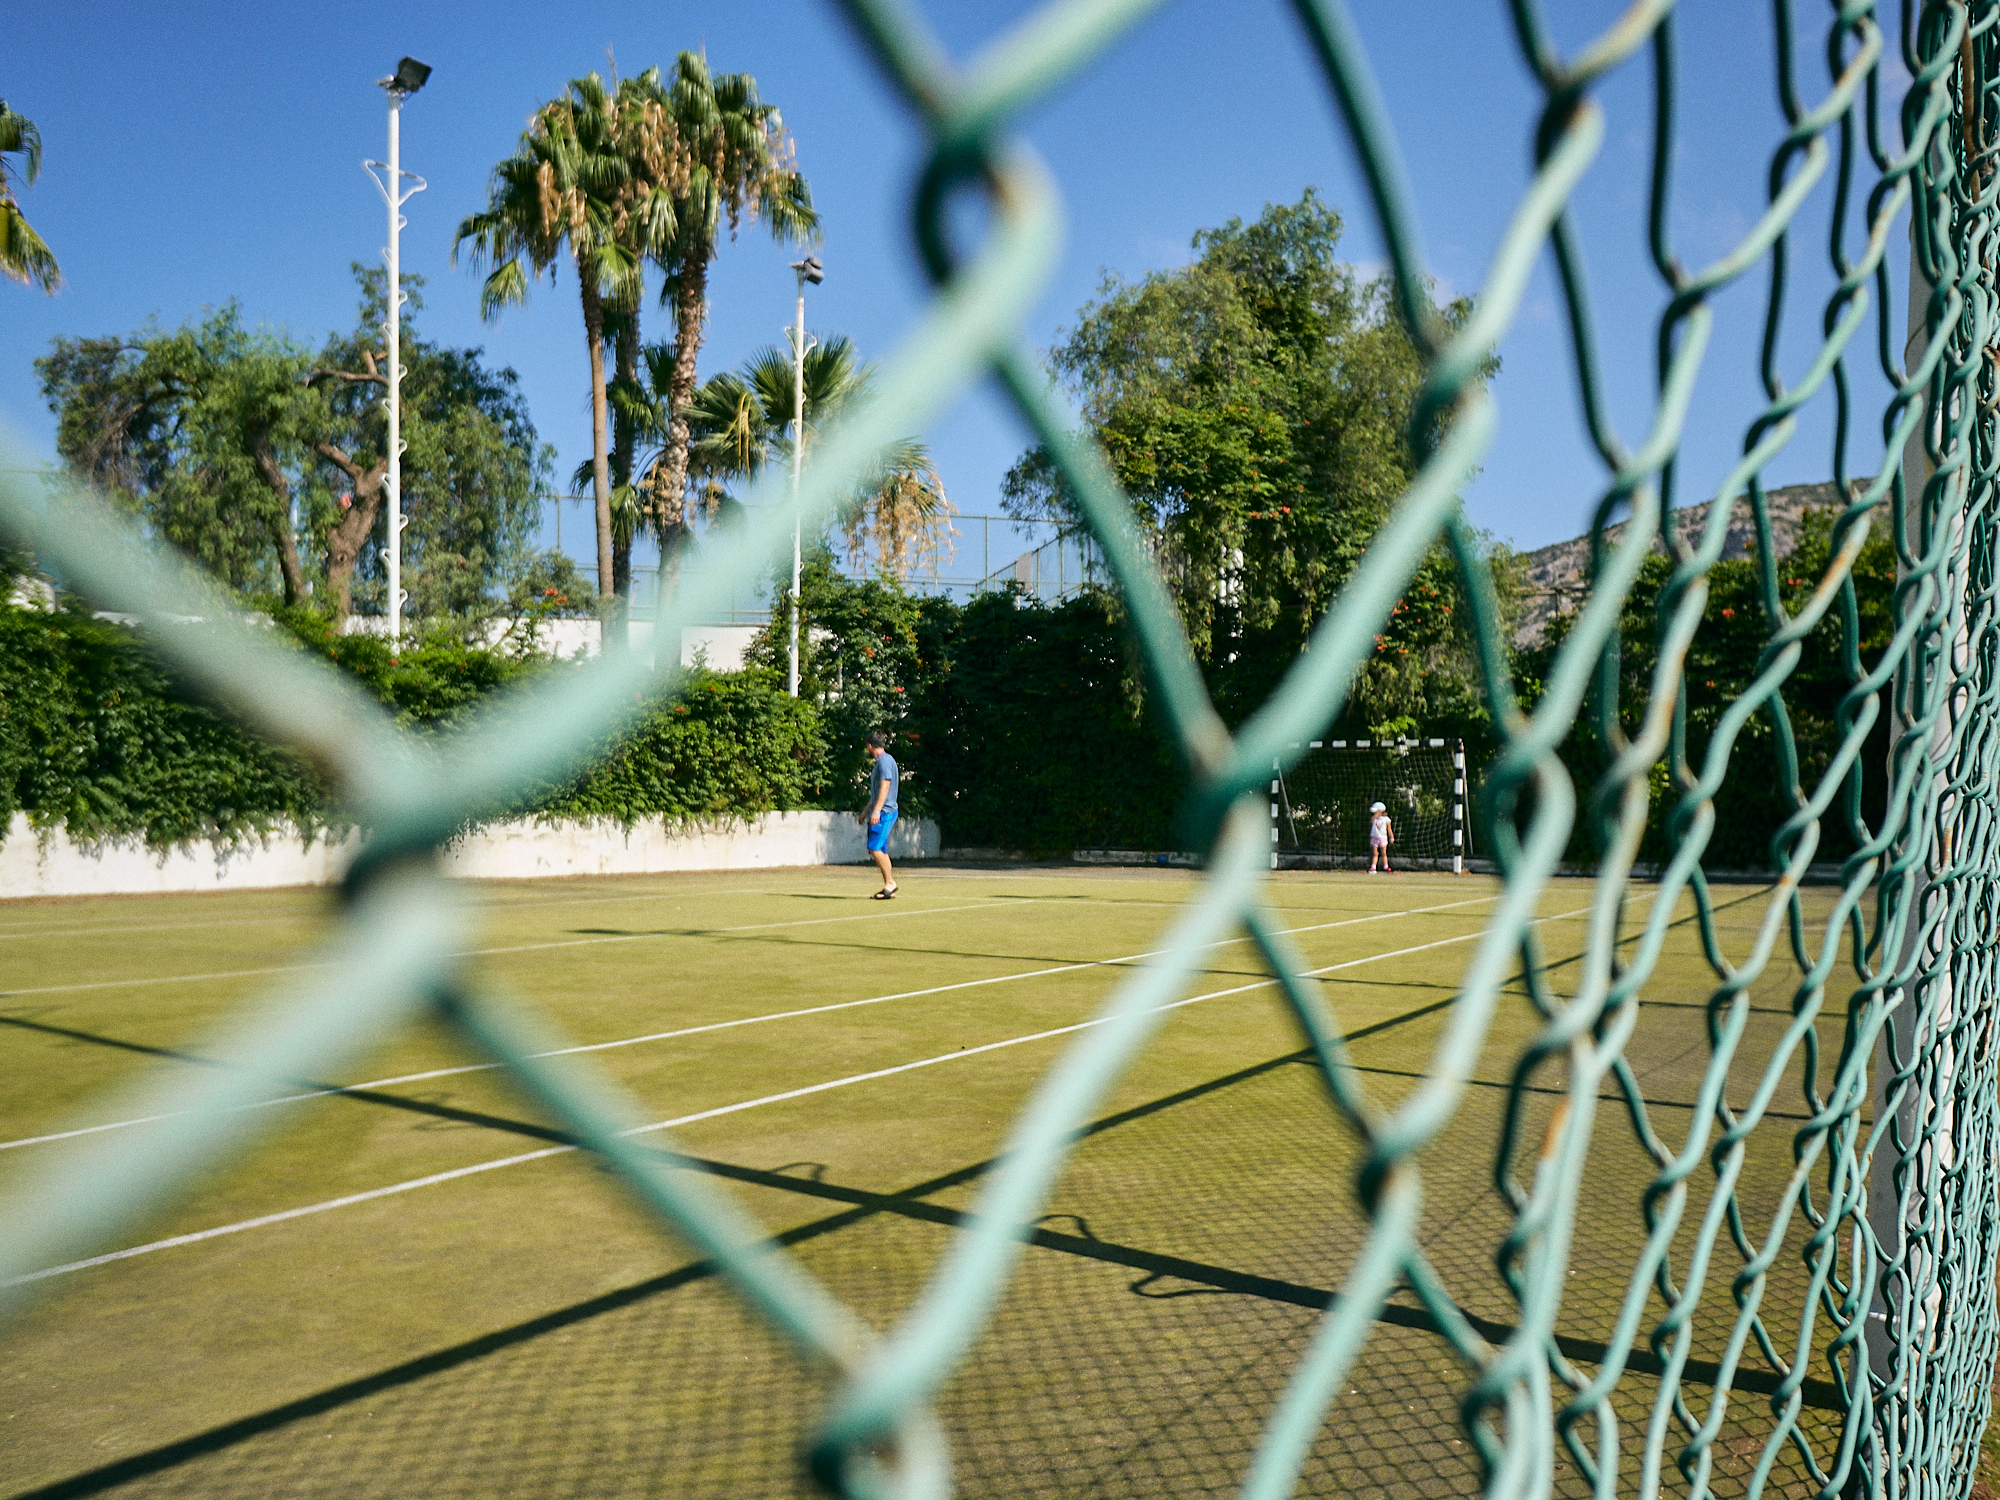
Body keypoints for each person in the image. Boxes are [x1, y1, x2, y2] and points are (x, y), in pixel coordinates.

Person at [863, 731, 899, 898]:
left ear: (870, 746)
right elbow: (877, 792)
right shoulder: (883, 761)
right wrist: (865, 812)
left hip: (885, 812)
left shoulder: (884, 762)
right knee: (881, 849)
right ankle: (888, 886)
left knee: (874, 847)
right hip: (880, 811)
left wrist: (876, 811)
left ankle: (890, 883)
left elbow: (885, 788)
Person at [1367, 800, 1394, 874]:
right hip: (1374, 838)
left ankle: (1386, 867)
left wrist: (1391, 837)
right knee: (1375, 853)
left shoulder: (1386, 819)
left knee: (1383, 853)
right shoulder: (1374, 818)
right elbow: (1371, 820)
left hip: (1383, 838)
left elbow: (1389, 829)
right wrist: (1375, 816)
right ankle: (1373, 867)